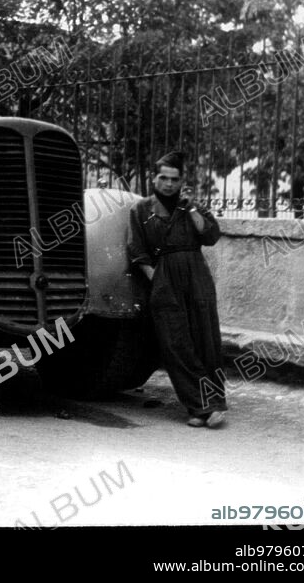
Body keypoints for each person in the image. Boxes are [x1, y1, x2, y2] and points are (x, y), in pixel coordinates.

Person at [127, 151, 228, 429]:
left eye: (174, 179)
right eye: (163, 178)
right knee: (175, 344)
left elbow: (210, 236)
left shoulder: (192, 206)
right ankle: (203, 406)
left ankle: (204, 409)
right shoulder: (142, 209)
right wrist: (156, 278)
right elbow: (136, 250)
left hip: (196, 274)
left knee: (205, 340)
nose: (168, 184)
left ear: (182, 181)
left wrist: (191, 207)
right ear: (153, 178)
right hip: (164, 276)